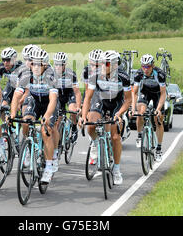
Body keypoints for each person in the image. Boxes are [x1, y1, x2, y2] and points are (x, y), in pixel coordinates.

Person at [79, 50, 132, 185]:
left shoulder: (123, 77)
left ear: (114, 65)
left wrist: (119, 114)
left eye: (106, 63)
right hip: (100, 100)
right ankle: (96, 143)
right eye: (102, 62)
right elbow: (88, 97)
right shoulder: (95, 75)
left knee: (115, 137)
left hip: (116, 103)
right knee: (91, 125)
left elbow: (128, 100)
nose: (103, 65)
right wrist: (84, 116)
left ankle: (116, 169)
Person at [9, 48, 59, 184]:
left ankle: (49, 168)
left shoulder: (51, 75)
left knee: (46, 130)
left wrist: (47, 116)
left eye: (39, 64)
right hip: (35, 100)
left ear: (46, 65)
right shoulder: (25, 75)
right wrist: (12, 113)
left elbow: (53, 100)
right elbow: (16, 95)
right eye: (33, 64)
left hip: (49, 103)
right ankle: (28, 148)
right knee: (25, 122)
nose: (36, 67)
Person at [131, 54, 167, 162]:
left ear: (152, 65)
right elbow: (135, 92)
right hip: (145, 92)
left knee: (158, 120)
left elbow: (163, 93)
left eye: (148, 66)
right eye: (143, 66)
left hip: (157, 94)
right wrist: (133, 108)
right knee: (140, 113)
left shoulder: (160, 74)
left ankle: (159, 149)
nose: (145, 69)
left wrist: (158, 109)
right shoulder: (138, 74)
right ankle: (140, 134)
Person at [52, 52, 82, 170]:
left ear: (65, 65)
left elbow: (77, 92)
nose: (58, 67)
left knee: (72, 110)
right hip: (58, 96)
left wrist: (78, 107)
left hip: (69, 95)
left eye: (60, 64)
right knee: (57, 121)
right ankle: (58, 143)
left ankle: (74, 127)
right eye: (56, 64)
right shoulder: (51, 74)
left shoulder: (71, 74)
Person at [0, 47, 23, 121]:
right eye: (3, 60)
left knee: (21, 106)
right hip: (10, 86)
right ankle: (6, 124)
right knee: (3, 106)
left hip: (22, 87)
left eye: (8, 60)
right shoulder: (1, 67)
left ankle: (21, 123)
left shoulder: (21, 67)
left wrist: (18, 101)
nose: (5, 63)